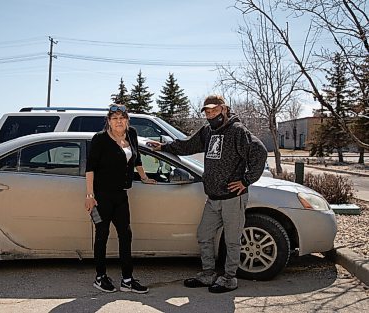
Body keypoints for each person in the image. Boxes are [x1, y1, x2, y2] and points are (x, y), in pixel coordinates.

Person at [149, 94, 267, 293]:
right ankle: (208, 274)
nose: (211, 114)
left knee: (232, 240)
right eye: (207, 111)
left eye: (214, 110)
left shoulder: (237, 131)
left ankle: (230, 278)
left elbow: (259, 151)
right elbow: (188, 145)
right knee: (204, 235)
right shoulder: (208, 131)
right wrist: (165, 147)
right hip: (213, 199)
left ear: (224, 109)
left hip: (232, 199)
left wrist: (246, 180)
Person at [85, 104, 156, 294]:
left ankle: (127, 279)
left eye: (122, 118)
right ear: (108, 121)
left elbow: (137, 158)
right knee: (102, 235)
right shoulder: (99, 139)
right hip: (101, 197)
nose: (119, 121)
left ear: (127, 120)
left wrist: (144, 177)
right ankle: (100, 277)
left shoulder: (131, 134)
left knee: (126, 235)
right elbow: (90, 168)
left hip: (121, 195)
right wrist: (90, 196)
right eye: (115, 118)